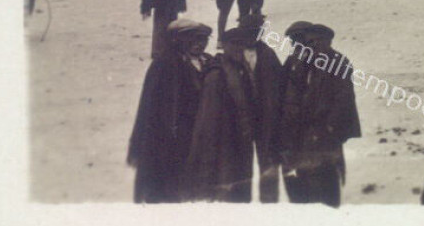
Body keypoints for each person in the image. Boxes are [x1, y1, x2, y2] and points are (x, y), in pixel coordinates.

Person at [184, 24, 281, 203]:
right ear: (225, 46)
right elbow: (209, 115)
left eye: (241, 45)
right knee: (229, 187)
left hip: (241, 138)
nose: (238, 48)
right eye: (234, 44)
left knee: (241, 183)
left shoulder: (240, 68)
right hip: (224, 141)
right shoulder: (217, 72)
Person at [127, 18, 212, 202]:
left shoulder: (208, 62)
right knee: (168, 187)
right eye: (193, 40)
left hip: (199, 136)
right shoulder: (164, 65)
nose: (199, 45)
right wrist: (139, 144)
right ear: (178, 41)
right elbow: (148, 107)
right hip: (169, 138)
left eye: (203, 40)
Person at [278, 23, 361, 206]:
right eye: (310, 42)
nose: (312, 45)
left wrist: (329, 127)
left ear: (328, 41)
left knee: (326, 180)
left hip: (324, 132)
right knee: (301, 182)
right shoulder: (299, 62)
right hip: (300, 132)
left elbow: (343, 99)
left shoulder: (338, 62)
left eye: (316, 42)